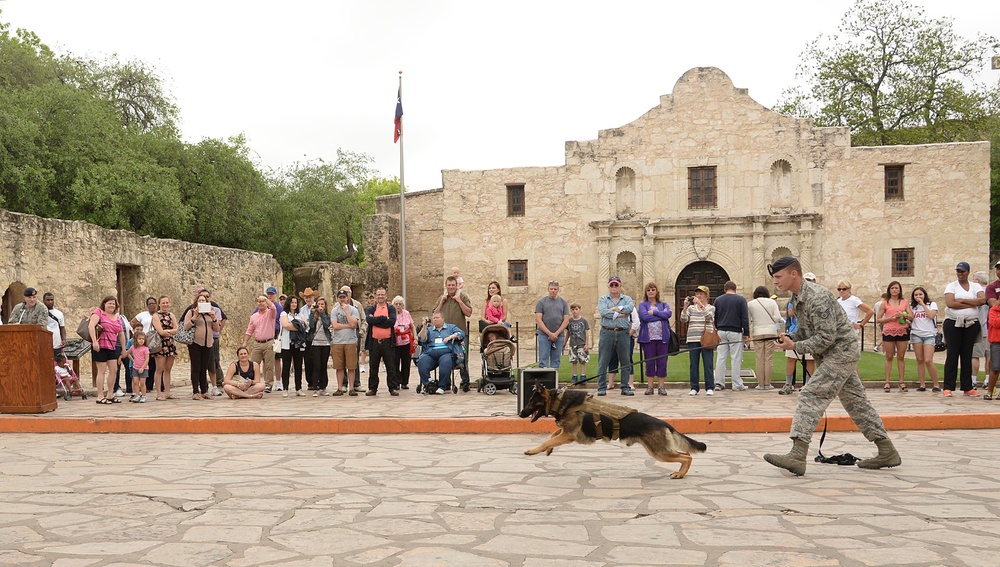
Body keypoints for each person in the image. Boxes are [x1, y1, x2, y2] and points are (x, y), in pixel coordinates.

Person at [763, 256, 900, 476]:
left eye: (779, 277)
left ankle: (797, 455)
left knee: (811, 394)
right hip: (831, 354)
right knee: (856, 402)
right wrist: (788, 336)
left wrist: (795, 344)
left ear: (794, 274)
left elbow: (826, 337)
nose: (775, 282)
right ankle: (886, 450)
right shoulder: (797, 297)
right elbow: (809, 330)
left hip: (840, 353)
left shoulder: (817, 297)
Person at [943, 261, 985, 397]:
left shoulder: (975, 286)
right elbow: (950, 303)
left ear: (968, 272)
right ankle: (948, 386)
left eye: (963, 271)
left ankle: (967, 386)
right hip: (954, 323)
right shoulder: (951, 286)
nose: (960, 274)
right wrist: (971, 303)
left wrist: (962, 300)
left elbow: (981, 301)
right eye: (958, 271)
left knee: (967, 354)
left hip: (971, 324)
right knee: (952, 354)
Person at [595, 276, 635, 396]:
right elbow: (603, 312)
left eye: (616, 285)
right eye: (611, 285)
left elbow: (630, 308)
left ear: (620, 286)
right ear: (608, 286)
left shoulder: (627, 299)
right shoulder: (603, 299)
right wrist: (620, 313)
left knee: (625, 360)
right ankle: (601, 387)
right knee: (603, 360)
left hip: (623, 332)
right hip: (607, 332)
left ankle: (625, 386)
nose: (614, 287)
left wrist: (616, 309)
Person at [435, 276, 473, 391]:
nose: (451, 287)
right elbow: (435, 314)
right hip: (444, 334)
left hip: (460, 334)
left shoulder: (463, 296)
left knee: (462, 358)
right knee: (445, 357)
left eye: (453, 285)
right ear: (446, 286)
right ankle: (446, 382)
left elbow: (469, 313)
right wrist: (441, 302)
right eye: (449, 285)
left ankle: (465, 382)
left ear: (457, 286)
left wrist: (459, 301)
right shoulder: (442, 298)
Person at [182, 292, 221, 400]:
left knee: (204, 367)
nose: (202, 302)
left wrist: (214, 318)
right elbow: (186, 326)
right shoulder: (191, 312)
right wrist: (195, 316)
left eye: (203, 300)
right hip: (195, 343)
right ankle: (195, 391)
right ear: (196, 302)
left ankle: (204, 390)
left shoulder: (210, 313)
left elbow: (217, 329)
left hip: (208, 343)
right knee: (196, 367)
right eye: (200, 300)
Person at [88, 295, 126, 404]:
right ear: (104, 304)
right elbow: (91, 326)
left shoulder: (117, 317)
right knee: (102, 371)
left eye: (113, 304)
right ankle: (100, 396)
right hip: (100, 346)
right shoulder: (98, 312)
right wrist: (94, 341)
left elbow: (121, 334)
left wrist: (123, 349)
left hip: (112, 346)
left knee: (114, 370)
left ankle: (110, 394)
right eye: (109, 303)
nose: (111, 305)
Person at [713, 281, 750, 391]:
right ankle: (736, 384)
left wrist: (717, 328)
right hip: (735, 330)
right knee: (736, 358)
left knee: (721, 357)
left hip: (721, 330)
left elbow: (715, 316)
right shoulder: (740, 299)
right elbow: (744, 317)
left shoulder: (718, 300)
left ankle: (719, 383)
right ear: (735, 289)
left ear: (725, 289)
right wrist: (746, 333)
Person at [416, 312, 465, 394]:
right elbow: (422, 339)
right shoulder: (430, 329)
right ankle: (428, 384)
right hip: (431, 353)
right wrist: (424, 327)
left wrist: (450, 337)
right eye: (434, 318)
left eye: (437, 317)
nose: (435, 319)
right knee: (422, 361)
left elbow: (461, 334)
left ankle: (442, 386)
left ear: (443, 319)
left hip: (446, 352)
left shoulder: (451, 327)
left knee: (445, 362)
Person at [637, 282, 672, 396]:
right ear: (646, 292)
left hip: (662, 338)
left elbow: (669, 314)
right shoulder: (643, 305)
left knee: (662, 362)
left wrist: (655, 312)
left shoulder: (663, 304)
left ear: (657, 291)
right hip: (649, 338)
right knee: (650, 362)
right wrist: (661, 315)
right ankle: (650, 386)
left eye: (653, 289)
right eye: (648, 290)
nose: (651, 291)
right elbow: (644, 317)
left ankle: (661, 386)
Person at [681, 285, 716, 396]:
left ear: (706, 295)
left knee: (708, 363)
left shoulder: (711, 308)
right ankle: (694, 387)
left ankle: (710, 387)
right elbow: (683, 319)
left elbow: (709, 317)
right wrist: (685, 307)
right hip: (693, 338)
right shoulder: (691, 308)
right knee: (694, 364)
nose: (698, 296)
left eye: (701, 294)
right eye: (697, 294)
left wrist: (701, 305)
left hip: (706, 338)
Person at [877, 280, 911, 393]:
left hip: (902, 330)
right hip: (889, 330)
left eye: (896, 288)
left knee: (901, 357)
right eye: (892, 288)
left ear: (900, 289)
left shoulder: (904, 302)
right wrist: (889, 319)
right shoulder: (885, 303)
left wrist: (903, 314)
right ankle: (887, 382)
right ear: (889, 290)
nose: (894, 290)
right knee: (889, 357)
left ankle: (902, 382)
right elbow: (878, 318)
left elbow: (912, 316)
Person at [365, 288, 399, 396]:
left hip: (387, 342)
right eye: (378, 294)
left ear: (386, 296)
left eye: (382, 294)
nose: (380, 296)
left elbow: (391, 322)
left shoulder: (391, 308)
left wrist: (376, 320)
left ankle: (392, 387)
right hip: (374, 342)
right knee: (373, 367)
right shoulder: (371, 309)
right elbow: (369, 320)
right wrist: (384, 318)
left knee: (390, 366)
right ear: (375, 296)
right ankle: (372, 388)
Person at [748, 286, 782, 390]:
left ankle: (760, 383)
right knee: (768, 359)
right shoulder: (772, 302)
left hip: (757, 331)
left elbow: (748, 320)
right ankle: (767, 383)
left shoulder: (750, 304)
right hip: (770, 331)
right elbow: (777, 318)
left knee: (759, 358)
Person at [242, 294, 277, 392]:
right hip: (257, 343)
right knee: (253, 364)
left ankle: (268, 384)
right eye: (259, 301)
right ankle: (253, 383)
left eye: (263, 301)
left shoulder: (271, 313)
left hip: (269, 341)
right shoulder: (254, 316)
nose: (261, 303)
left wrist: (266, 298)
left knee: (269, 365)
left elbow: (273, 307)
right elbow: (249, 330)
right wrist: (245, 342)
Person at [909, 287, 940, 392]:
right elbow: (911, 319)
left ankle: (936, 384)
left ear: (924, 295)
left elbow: (931, 316)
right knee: (920, 360)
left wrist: (923, 304)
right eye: (916, 295)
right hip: (916, 334)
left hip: (929, 334)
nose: (918, 297)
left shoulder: (932, 305)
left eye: (920, 294)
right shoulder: (912, 307)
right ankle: (922, 384)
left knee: (928, 360)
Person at [330, 291, 360, 396]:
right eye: (340, 297)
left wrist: (347, 311)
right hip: (338, 341)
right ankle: (340, 387)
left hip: (350, 341)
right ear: (337, 299)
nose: (342, 299)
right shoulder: (334, 311)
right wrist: (348, 325)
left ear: (347, 298)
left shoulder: (353, 310)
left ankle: (351, 388)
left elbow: (353, 323)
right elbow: (335, 325)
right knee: (339, 366)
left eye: (344, 297)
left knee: (351, 366)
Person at [535, 281, 571, 369]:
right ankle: (543, 381)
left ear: (558, 290)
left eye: (555, 289)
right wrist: (549, 333)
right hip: (544, 335)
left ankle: (554, 380)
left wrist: (556, 334)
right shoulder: (541, 302)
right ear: (548, 289)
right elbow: (538, 320)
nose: (553, 291)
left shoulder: (563, 303)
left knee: (556, 360)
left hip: (559, 336)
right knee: (543, 359)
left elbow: (566, 320)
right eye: (551, 289)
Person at [278, 295, 308, 397]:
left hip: (298, 343)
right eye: (292, 302)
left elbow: (306, 324)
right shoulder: (284, 313)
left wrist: (296, 325)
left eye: (295, 302)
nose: (294, 304)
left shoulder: (299, 314)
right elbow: (285, 325)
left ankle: (298, 388)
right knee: (286, 366)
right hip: (287, 343)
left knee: (298, 366)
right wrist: (298, 327)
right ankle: (285, 388)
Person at [151, 296, 179, 400]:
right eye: (163, 303)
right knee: (159, 369)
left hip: (170, 344)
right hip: (160, 345)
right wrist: (170, 331)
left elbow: (177, 329)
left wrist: (168, 331)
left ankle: (167, 392)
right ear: (159, 304)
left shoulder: (171, 315)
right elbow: (161, 332)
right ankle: (158, 393)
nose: (165, 305)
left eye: (167, 302)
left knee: (168, 369)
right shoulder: (155, 316)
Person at [340, 285, 367, 388]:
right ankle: (344, 383)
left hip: (355, 334)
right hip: (341, 335)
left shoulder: (357, 305)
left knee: (354, 359)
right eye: (343, 293)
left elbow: (364, 320)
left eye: (347, 293)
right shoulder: (336, 306)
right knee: (342, 360)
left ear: (350, 294)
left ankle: (356, 383)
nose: (345, 295)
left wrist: (361, 331)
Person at [131, 297, 159, 392]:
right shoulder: (142, 315)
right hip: (144, 340)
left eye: (153, 303)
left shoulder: (158, 315)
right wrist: (136, 333)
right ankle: (147, 386)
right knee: (148, 362)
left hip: (156, 340)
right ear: (147, 306)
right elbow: (132, 322)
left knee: (156, 363)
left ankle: (157, 385)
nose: (152, 305)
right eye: (150, 304)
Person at [309, 296, 334, 396]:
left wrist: (322, 313)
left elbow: (327, 324)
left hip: (325, 343)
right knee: (317, 365)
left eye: (322, 304)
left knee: (324, 365)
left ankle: (323, 387)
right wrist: (312, 312)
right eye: (318, 304)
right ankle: (315, 387)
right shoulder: (314, 315)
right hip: (315, 343)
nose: (320, 306)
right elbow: (311, 325)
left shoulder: (327, 315)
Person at [392, 296, 417, 390]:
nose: (398, 306)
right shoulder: (391, 314)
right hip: (395, 341)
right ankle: (397, 381)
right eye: (396, 304)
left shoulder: (406, 313)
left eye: (400, 304)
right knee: (395, 362)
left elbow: (412, 326)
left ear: (403, 305)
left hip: (406, 341)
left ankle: (405, 382)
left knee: (406, 362)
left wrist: (415, 338)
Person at [971, 271, 991, 388]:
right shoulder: (992, 293)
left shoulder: (977, 293)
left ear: (977, 281)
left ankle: (973, 380)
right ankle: (988, 379)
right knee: (989, 355)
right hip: (990, 328)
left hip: (978, 328)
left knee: (975, 355)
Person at [566, 302, 591, 386]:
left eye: (576, 309)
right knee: (574, 360)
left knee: (582, 360)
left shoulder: (583, 321)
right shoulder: (569, 321)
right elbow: (568, 333)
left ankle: (583, 376)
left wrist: (586, 344)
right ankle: (574, 375)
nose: (575, 311)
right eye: (573, 309)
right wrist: (565, 342)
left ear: (579, 310)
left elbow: (586, 333)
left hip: (581, 343)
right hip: (573, 343)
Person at [126, 330, 150, 403]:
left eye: (143, 339)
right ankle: (137, 395)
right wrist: (132, 360)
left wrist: (142, 367)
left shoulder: (145, 349)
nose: (141, 340)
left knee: (142, 383)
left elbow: (147, 359)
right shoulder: (133, 347)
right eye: (139, 339)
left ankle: (144, 396)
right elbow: (127, 353)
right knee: (135, 382)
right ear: (136, 339)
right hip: (135, 367)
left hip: (143, 368)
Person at [42, 292, 66, 359]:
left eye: (51, 300)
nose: (50, 302)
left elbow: (62, 328)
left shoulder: (59, 314)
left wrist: (64, 340)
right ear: (43, 301)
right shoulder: (40, 313)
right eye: (48, 300)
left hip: (57, 345)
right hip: (44, 346)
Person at [986, 301, 1000, 400]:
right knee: (995, 367)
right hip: (996, 342)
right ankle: (990, 391)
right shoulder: (993, 310)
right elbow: (995, 323)